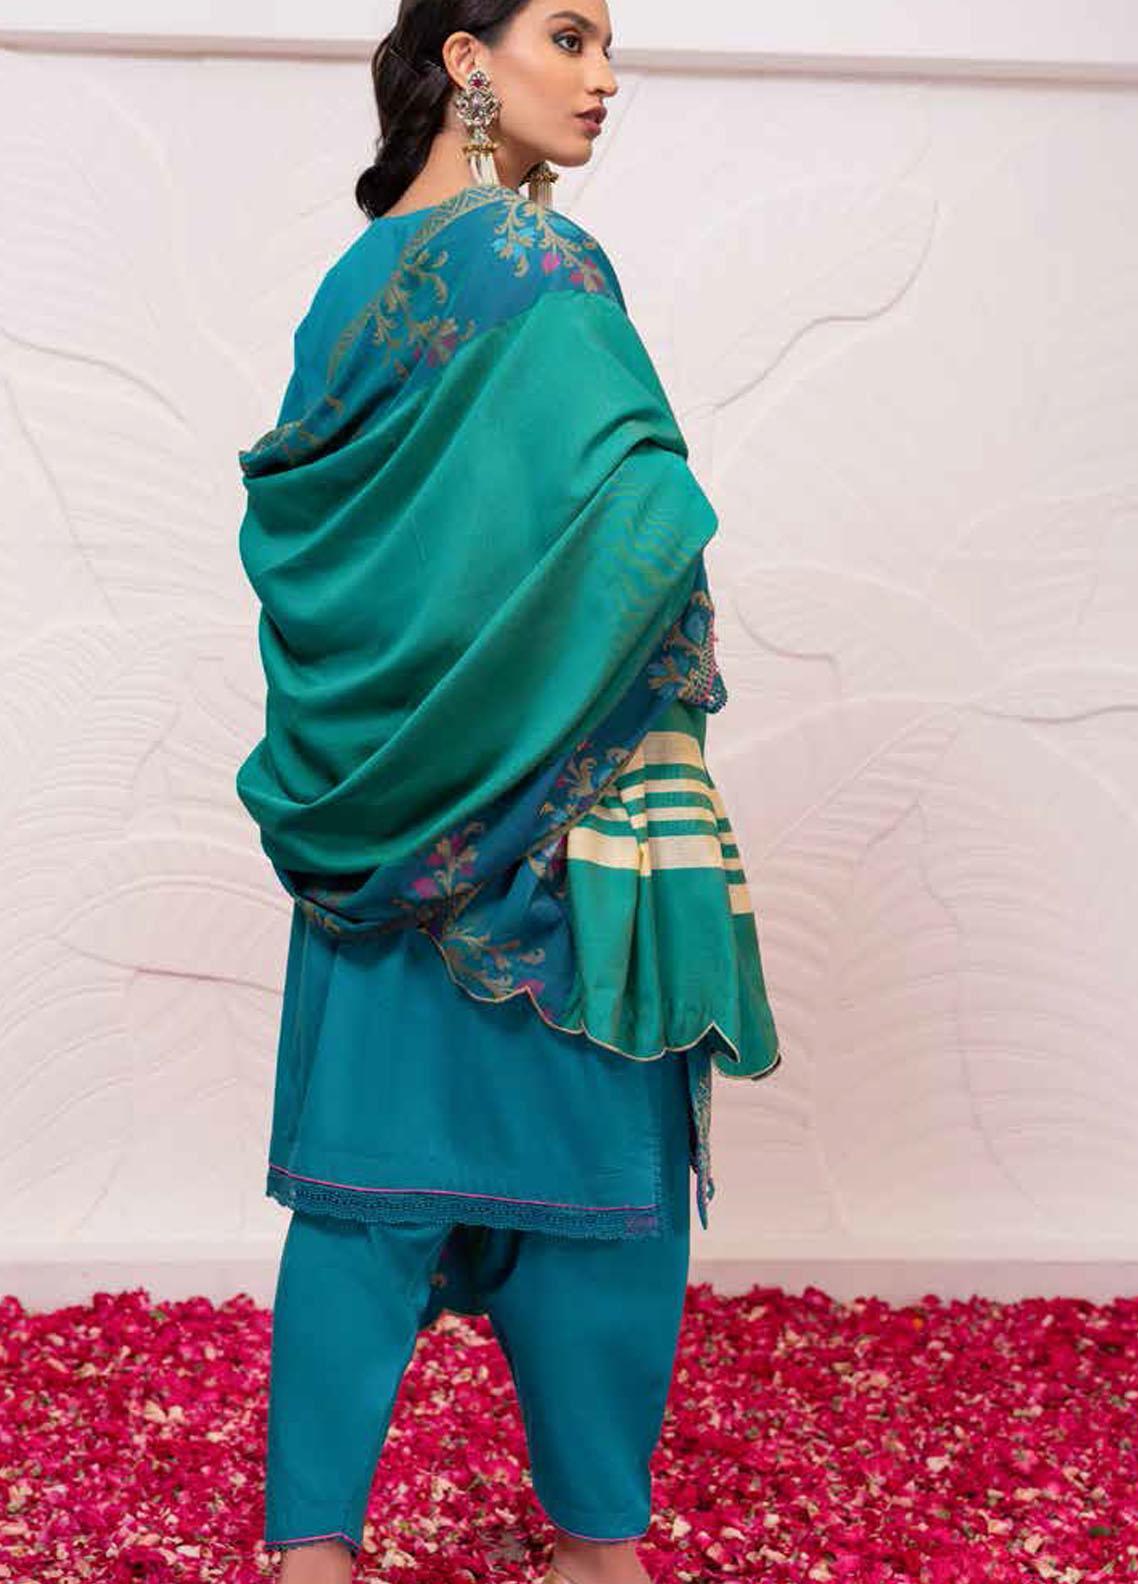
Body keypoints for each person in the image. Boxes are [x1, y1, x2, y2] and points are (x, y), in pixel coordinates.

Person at [233, 2, 782, 1581]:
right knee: (600, 1192)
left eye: (608, 44)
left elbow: (335, 570)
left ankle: (310, 1557)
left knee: (364, 1196)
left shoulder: (349, 287)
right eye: (568, 34)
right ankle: (598, 1553)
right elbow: (637, 521)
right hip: (554, 816)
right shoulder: (540, 267)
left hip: (376, 814)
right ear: (466, 58)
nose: (604, 77)